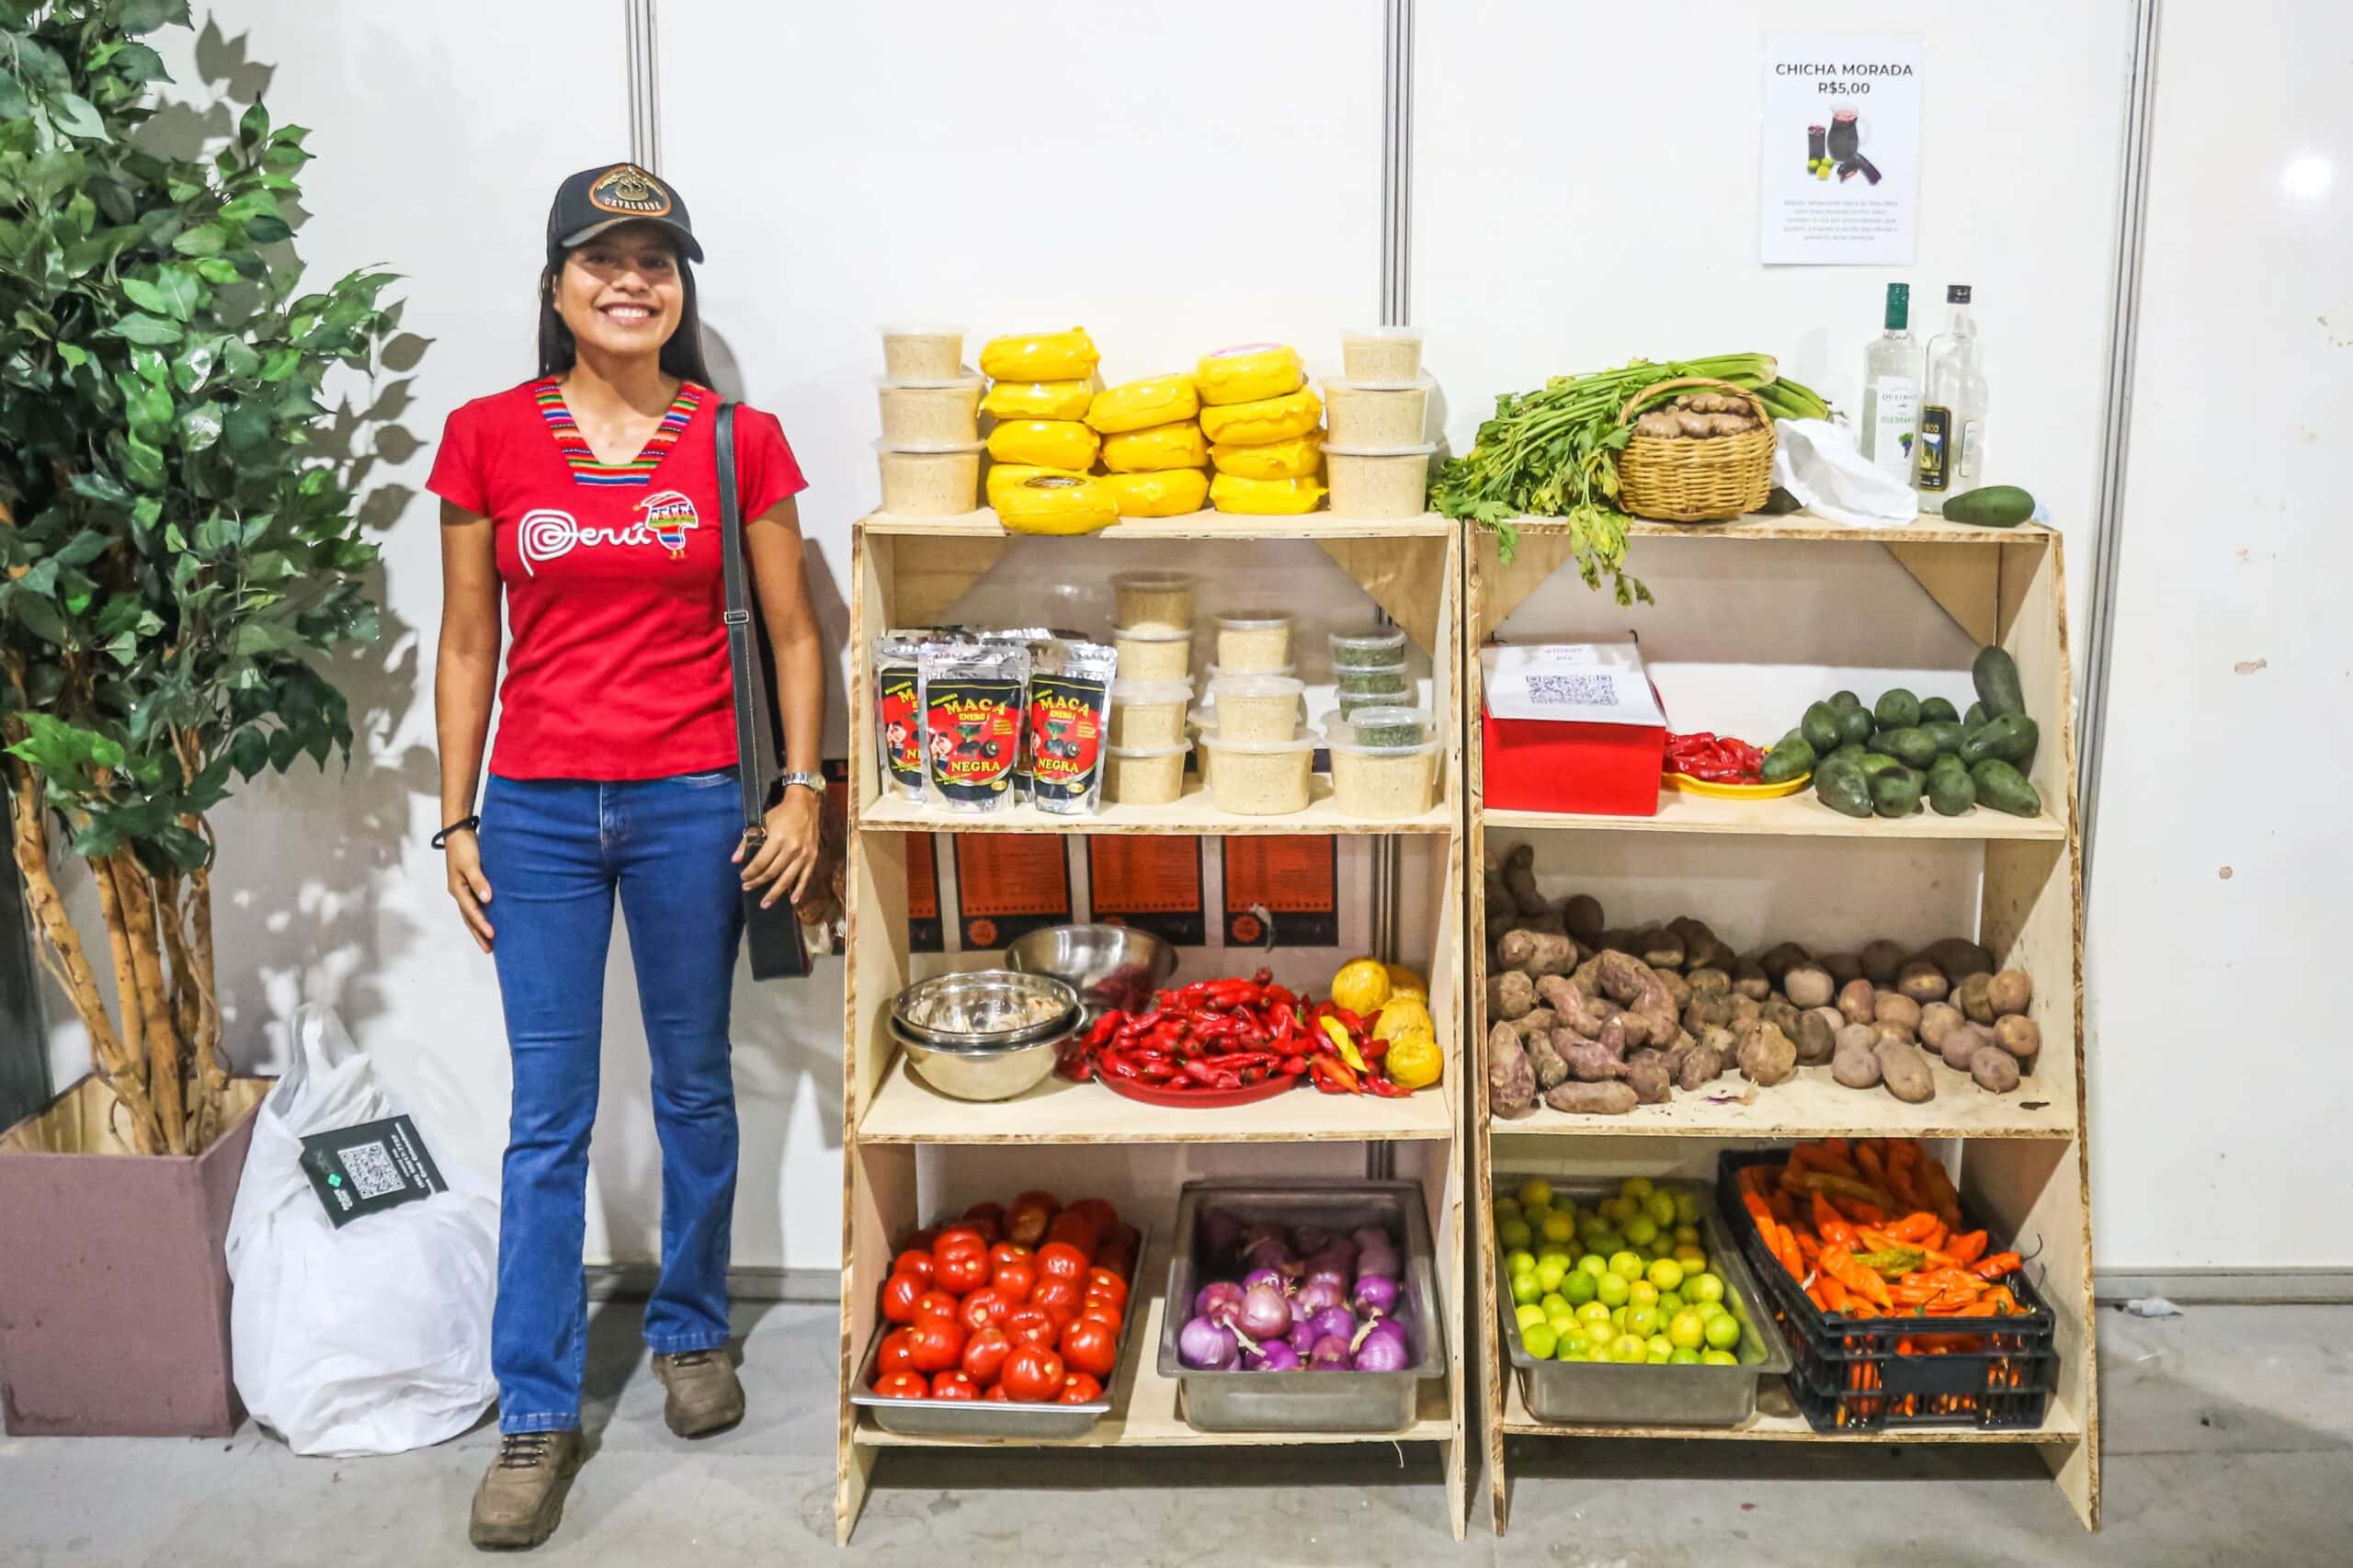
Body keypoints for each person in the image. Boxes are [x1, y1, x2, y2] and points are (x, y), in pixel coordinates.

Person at [428, 162, 824, 1551]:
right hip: (534, 810)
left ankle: (694, 1329)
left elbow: (792, 634)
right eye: (603, 259)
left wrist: (801, 790)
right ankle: (533, 1412)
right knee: (550, 1116)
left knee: (695, 1085)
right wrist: (458, 811)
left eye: (657, 261)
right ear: (555, 286)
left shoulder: (736, 440)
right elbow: (469, 636)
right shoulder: (486, 436)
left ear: (680, 290)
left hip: (690, 802)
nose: (632, 280)